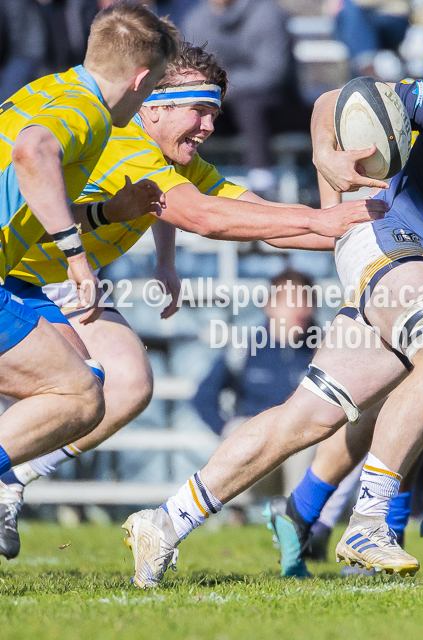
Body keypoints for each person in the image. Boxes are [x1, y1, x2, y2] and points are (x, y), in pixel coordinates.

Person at [122, 45, 423, 588]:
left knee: (310, 418)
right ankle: (370, 521)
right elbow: (336, 98)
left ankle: (163, 522)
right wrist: (327, 154)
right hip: (378, 231)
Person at [0, 42, 386, 561]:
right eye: (199, 110)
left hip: (58, 279)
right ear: (154, 105)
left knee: (122, 385)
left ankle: (13, 476)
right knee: (81, 390)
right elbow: (202, 215)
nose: (208, 126)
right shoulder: (121, 143)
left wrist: (383, 222)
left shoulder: (168, 154)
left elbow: (260, 218)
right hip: (26, 272)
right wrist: (323, 219)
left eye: (215, 114)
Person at [0, 0, 179, 550]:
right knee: (79, 395)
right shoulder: (90, 111)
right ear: (141, 78)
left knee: (79, 371)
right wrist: (78, 259)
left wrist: (106, 213)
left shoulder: (46, 90)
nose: (148, 103)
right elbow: (33, 153)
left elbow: (30, 185)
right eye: (152, 92)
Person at [182, 0, 296, 192]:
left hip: (272, 106)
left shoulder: (267, 14)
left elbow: (273, 73)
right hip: (220, 106)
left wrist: (222, 87)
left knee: (250, 102)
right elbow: (193, 73)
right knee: (191, 104)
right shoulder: (197, 19)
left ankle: (261, 177)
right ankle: (181, 177)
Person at [193, 269, 317, 437]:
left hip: (304, 440)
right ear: (270, 305)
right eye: (292, 300)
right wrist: (227, 428)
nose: (301, 309)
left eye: (307, 301)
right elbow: (204, 396)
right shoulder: (244, 349)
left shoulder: (323, 352)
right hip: (257, 439)